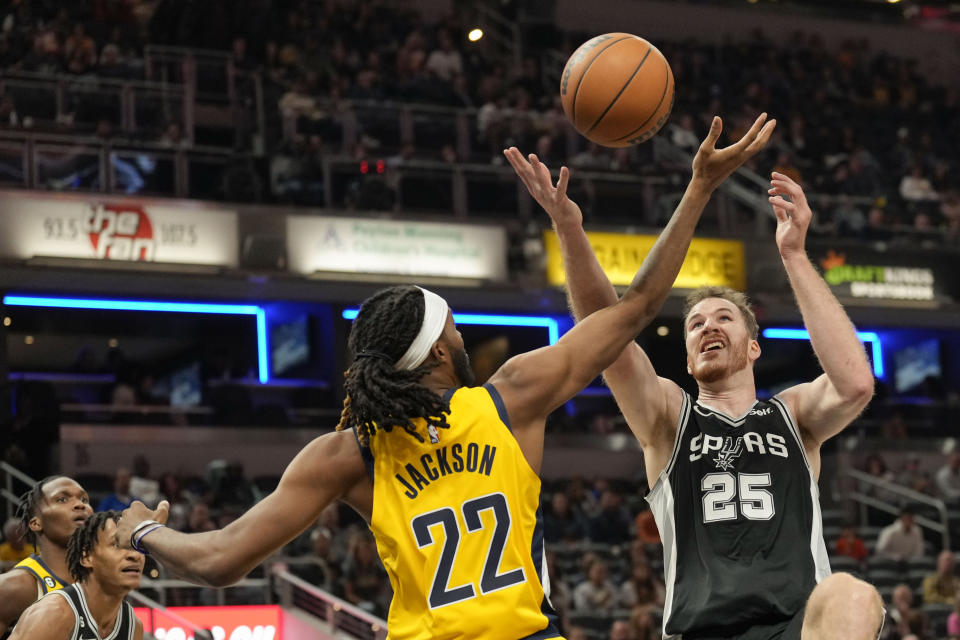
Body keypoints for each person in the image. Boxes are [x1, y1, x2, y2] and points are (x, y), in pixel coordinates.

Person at [117, 113, 776, 639]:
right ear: (436, 352)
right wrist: (696, 190)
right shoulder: (511, 397)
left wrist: (142, 528)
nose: (465, 337)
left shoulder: (349, 451)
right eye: (455, 328)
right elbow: (636, 308)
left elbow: (220, 560)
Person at [525, 125, 884, 636]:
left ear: (753, 347)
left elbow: (854, 384)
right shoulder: (670, 416)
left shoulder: (793, 415)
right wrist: (569, 228)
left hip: (793, 627)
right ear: (690, 360)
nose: (708, 326)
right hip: (701, 629)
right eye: (695, 324)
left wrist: (794, 255)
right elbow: (603, 337)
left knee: (854, 596)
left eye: (723, 319)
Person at [9, 511, 143, 640]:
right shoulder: (54, 613)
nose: (135, 555)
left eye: (136, 546)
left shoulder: (133, 625)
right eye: (117, 544)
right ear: (87, 557)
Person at [0, 476, 93, 634]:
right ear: (36, 523)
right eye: (62, 499)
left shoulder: (102, 583)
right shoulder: (15, 586)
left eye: (84, 499)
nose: (79, 505)